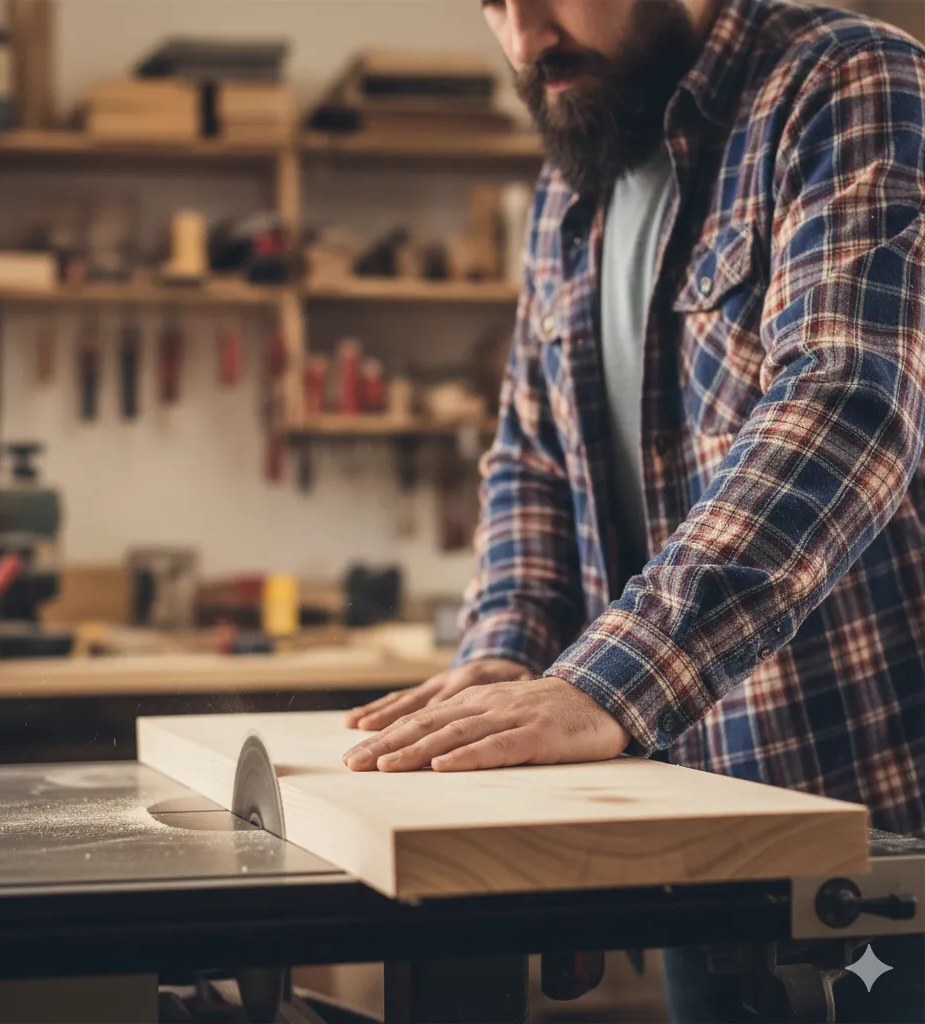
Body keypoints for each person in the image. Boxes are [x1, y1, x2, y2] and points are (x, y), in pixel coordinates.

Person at [341, 0, 925, 1018]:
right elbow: (530, 456)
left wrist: (606, 686)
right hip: (702, 844)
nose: (524, 38)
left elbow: (844, 401)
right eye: (491, 4)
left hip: (878, 850)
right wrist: (506, 662)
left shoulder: (844, 83)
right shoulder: (576, 179)